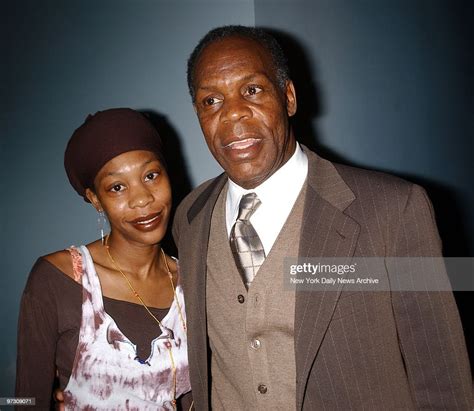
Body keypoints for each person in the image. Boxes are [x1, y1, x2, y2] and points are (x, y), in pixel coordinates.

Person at [172, 25, 473, 410]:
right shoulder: (190, 218)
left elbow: (442, 375)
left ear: (289, 97)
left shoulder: (395, 210)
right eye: (211, 100)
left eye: (252, 90)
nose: (232, 113)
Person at [16, 108, 192, 410]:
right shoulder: (56, 280)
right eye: (118, 187)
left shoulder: (193, 280)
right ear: (96, 199)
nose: (142, 199)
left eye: (151, 175)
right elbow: (21, 399)